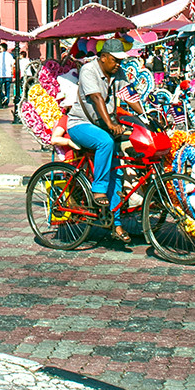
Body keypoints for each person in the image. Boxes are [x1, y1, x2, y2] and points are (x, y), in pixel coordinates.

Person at [60, 49, 131, 244]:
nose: (118, 64)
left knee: (117, 172)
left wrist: (148, 115)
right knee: (105, 141)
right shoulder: (88, 70)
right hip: (80, 124)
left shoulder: (118, 72)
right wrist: (110, 125)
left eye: (120, 61)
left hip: (103, 124)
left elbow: (130, 95)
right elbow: (97, 98)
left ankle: (115, 223)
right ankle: (98, 190)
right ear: (104, 57)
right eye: (115, 60)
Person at [0, 44, 16, 110]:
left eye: (0, 48)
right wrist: (12, 74)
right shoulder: (10, 56)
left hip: (1, 74)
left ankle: (4, 97)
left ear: (4, 48)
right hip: (8, 75)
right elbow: (13, 64)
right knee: (7, 89)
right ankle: (6, 102)